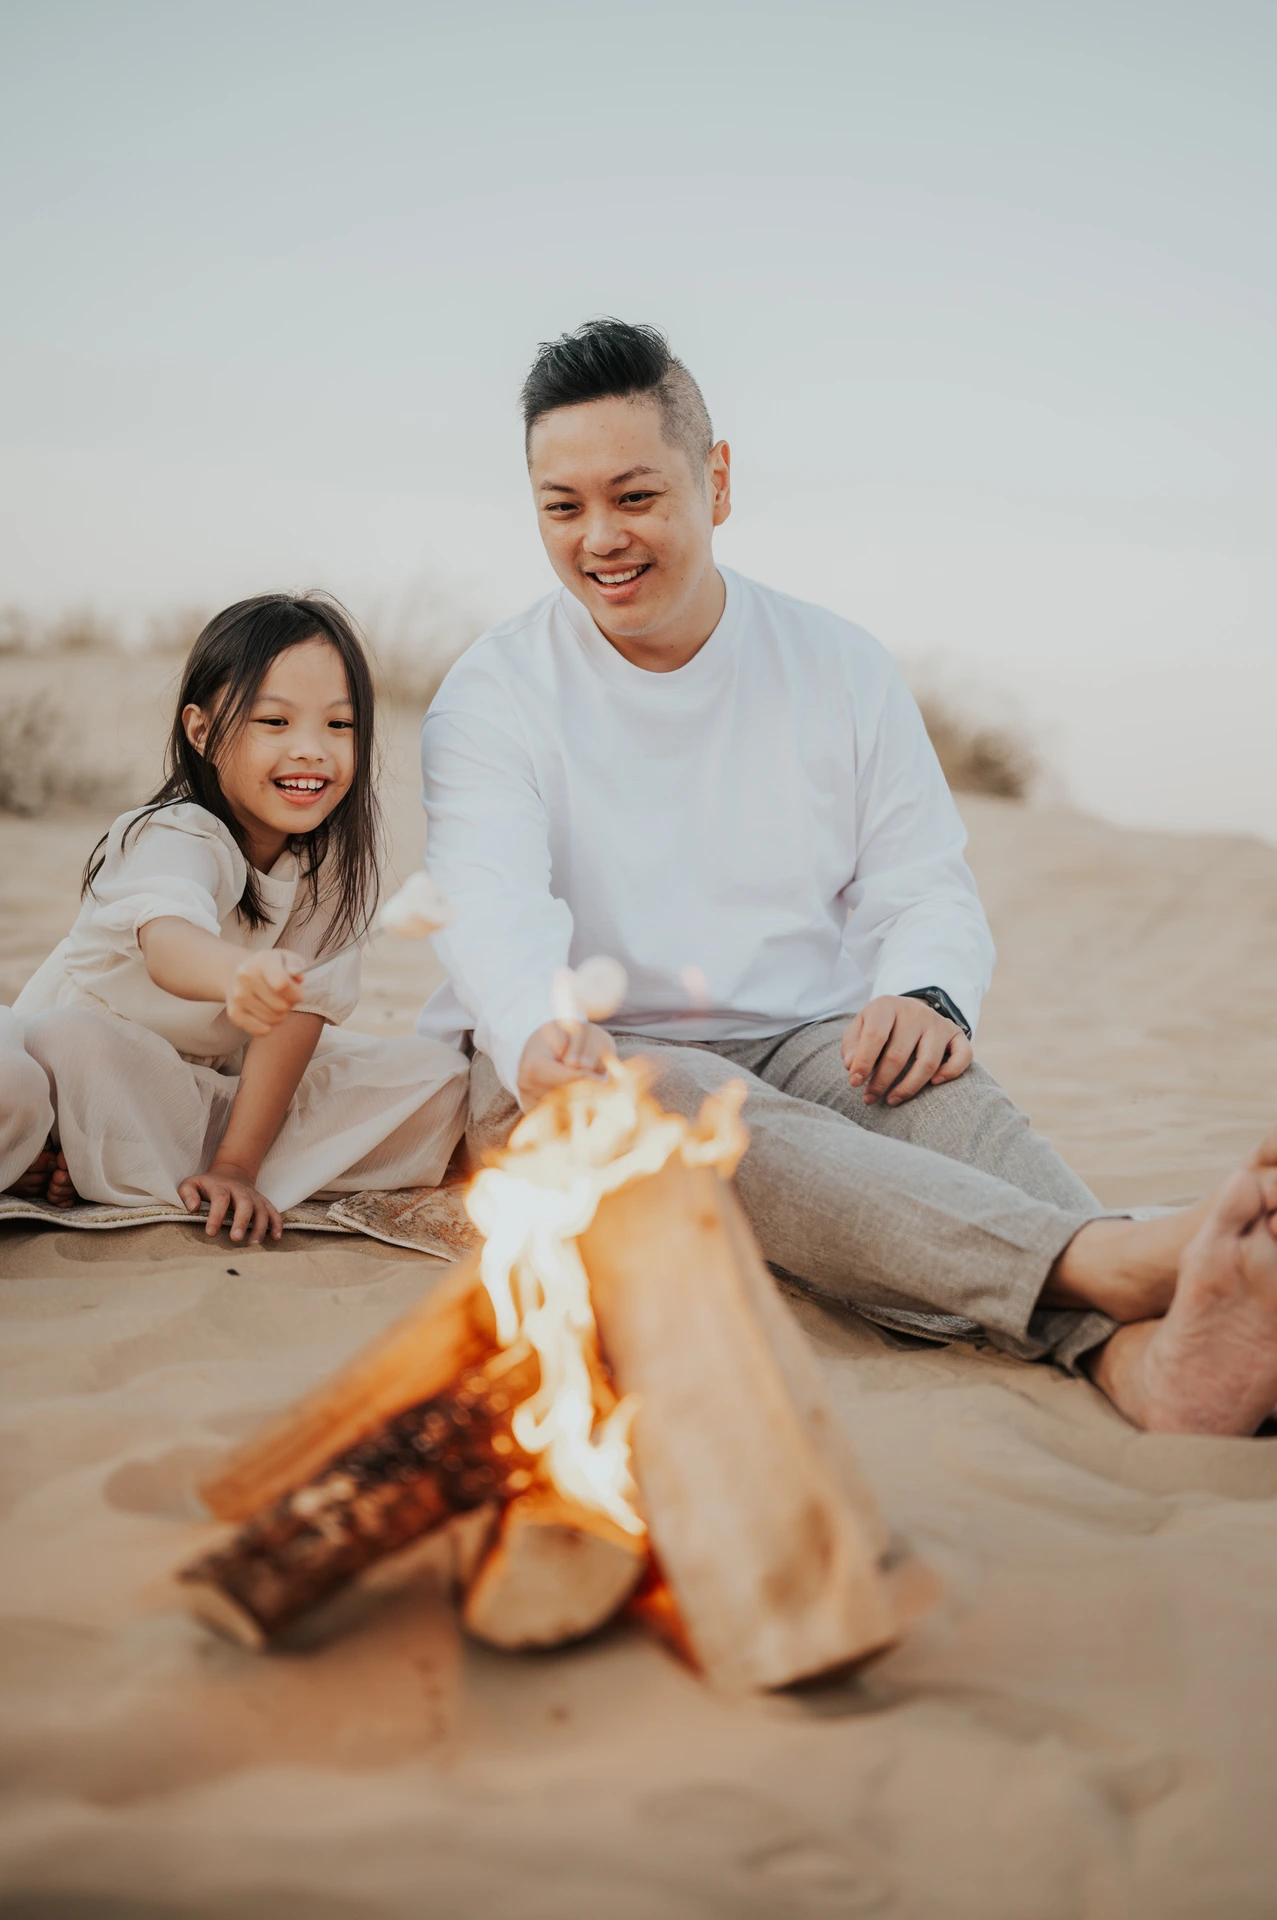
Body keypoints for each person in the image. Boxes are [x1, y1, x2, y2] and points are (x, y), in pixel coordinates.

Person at [418, 317, 1277, 1437]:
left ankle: (1146, 1367)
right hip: (581, 1062)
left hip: (801, 1035)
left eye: (634, 497)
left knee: (929, 1089)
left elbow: (920, 877)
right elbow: (488, 907)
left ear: (715, 481)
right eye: (561, 507)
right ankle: (1113, 1260)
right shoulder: (493, 693)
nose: (600, 540)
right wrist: (536, 1027)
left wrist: (923, 991)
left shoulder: (835, 664)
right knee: (680, 1104)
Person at [7, 592, 468, 1245]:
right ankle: (78, 1145)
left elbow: (296, 1026)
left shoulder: (329, 865)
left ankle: (135, 1161)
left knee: (439, 1079)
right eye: (273, 723)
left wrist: (237, 1165)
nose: (311, 750)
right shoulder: (172, 833)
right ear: (201, 732)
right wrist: (239, 974)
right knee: (69, 1040)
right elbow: (168, 939)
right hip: (90, 1065)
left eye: (339, 726)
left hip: (205, 1090)